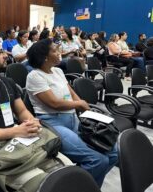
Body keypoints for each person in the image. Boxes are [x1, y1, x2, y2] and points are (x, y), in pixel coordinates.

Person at [0, 37, 69, 192]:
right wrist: (17, 131)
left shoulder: (8, 83)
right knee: (45, 184)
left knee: (67, 172)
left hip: (17, 138)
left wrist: (31, 121)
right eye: (0, 52)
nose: (5, 55)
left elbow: (22, 111)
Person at [26, 39, 118, 187]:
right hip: (52, 122)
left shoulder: (58, 71)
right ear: (45, 57)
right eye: (55, 51)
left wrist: (85, 111)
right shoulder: (35, 76)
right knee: (97, 160)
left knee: (113, 153)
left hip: (72, 118)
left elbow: (71, 92)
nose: (59, 53)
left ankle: (84, 184)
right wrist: (79, 104)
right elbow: (54, 104)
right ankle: (83, 186)